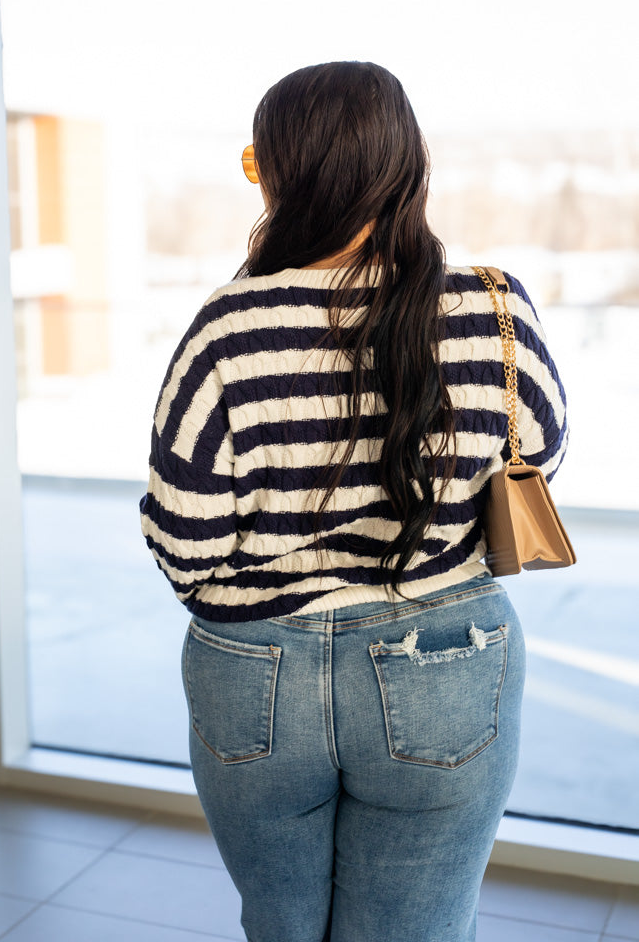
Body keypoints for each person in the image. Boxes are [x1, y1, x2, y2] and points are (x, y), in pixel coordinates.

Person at [139, 61, 569, 942]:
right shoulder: (492, 308)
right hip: (450, 654)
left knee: (283, 926)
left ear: (284, 173)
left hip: (255, 674)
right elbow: (536, 458)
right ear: (407, 163)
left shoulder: (231, 325)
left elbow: (185, 538)